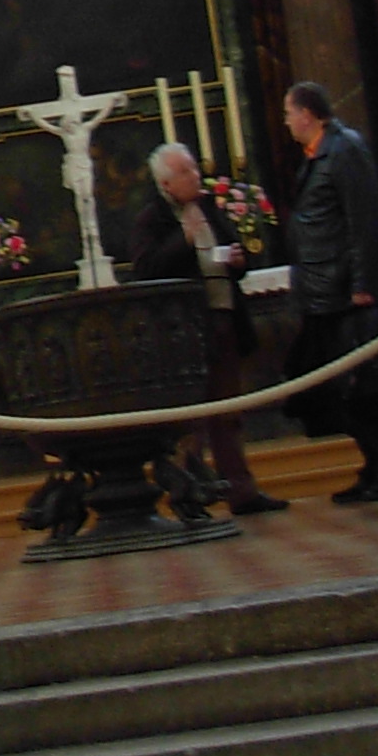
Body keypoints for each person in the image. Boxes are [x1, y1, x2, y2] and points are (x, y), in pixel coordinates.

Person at [126, 142, 288, 515]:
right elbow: (145, 269)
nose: (195, 176)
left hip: (224, 318)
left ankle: (241, 491)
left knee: (228, 411)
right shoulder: (152, 220)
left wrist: (237, 260)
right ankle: (190, 495)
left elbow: (234, 253)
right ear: (166, 184)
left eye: (194, 168)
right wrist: (183, 239)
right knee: (192, 418)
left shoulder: (209, 207)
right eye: (185, 172)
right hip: (186, 328)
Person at [278, 80, 378, 502]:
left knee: (370, 386)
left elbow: (364, 222)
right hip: (323, 294)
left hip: (346, 294)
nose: (286, 121)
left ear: (307, 114)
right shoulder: (317, 156)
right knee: (341, 391)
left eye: (289, 112)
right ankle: (373, 465)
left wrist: (363, 285)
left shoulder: (344, 150)